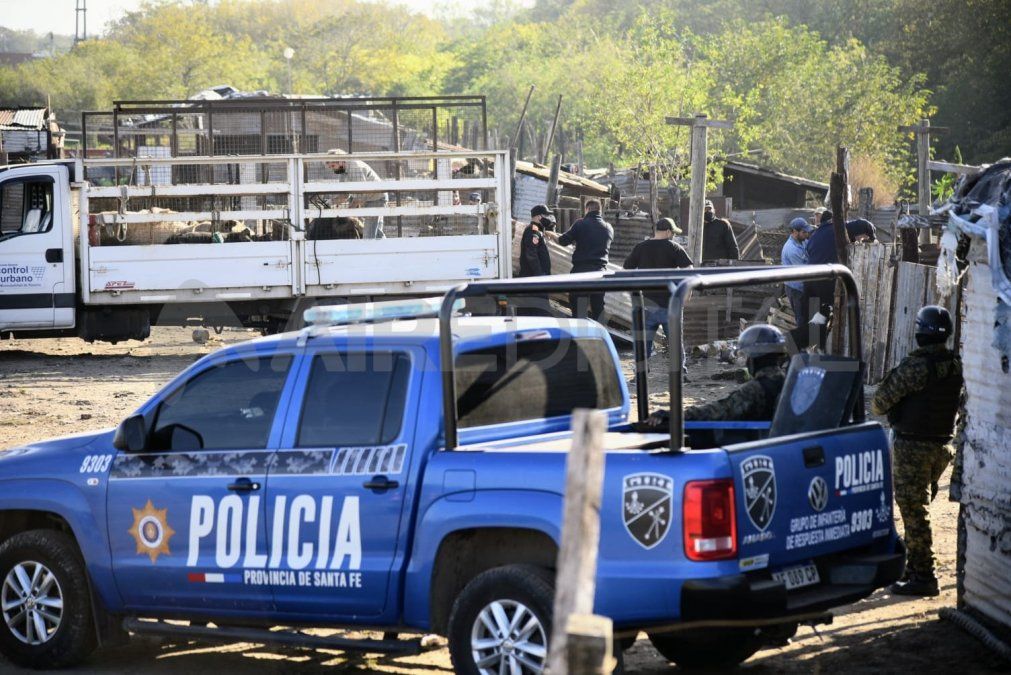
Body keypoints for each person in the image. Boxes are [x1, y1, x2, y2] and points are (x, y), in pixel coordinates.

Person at [871, 305, 963, 597]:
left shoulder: (917, 366)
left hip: (913, 447)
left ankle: (924, 576)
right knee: (918, 509)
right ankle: (914, 570)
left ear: (920, 332)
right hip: (942, 447)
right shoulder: (956, 365)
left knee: (914, 512)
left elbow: (879, 403)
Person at [635, 324, 790, 430]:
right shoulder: (788, 382)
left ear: (754, 358)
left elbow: (716, 411)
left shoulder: (757, 389)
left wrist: (669, 415)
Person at [622, 217, 692, 357]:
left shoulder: (640, 247)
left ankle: (639, 376)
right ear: (667, 232)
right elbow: (690, 271)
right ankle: (681, 375)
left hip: (646, 305)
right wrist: (686, 295)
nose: (673, 236)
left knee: (643, 347)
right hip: (670, 305)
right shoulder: (674, 247)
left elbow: (626, 271)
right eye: (673, 233)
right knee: (676, 345)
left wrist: (634, 294)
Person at [557, 199, 613, 321]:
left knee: (579, 309)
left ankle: (580, 336)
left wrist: (554, 235)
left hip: (581, 273)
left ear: (587, 209)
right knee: (598, 308)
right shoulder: (609, 228)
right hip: (600, 273)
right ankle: (598, 336)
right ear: (600, 210)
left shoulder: (580, 224)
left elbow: (563, 241)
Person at [325, 148, 389, 239]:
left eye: (333, 166)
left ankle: (369, 251)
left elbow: (361, 193)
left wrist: (349, 210)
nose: (332, 169)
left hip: (376, 199)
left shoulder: (355, 167)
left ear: (340, 161)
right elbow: (344, 195)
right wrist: (330, 202)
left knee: (368, 234)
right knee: (377, 233)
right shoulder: (343, 172)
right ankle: (386, 251)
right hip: (368, 199)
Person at [782, 217, 814, 337]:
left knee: (806, 317)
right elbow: (804, 270)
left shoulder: (802, 241)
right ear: (795, 232)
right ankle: (802, 346)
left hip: (801, 285)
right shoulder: (791, 249)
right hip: (796, 288)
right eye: (804, 232)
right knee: (801, 319)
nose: (806, 234)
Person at [518, 204, 554, 278]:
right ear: (539, 217)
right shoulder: (533, 230)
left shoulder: (537, 230)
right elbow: (531, 254)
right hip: (533, 277)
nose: (548, 218)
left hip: (536, 277)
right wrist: (539, 274)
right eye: (546, 215)